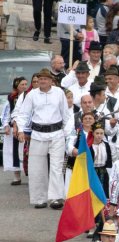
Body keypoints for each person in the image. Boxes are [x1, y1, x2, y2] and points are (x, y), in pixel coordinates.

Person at [14, 68, 70, 209]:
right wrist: (21, 130)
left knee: (56, 167)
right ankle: (40, 198)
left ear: (51, 80)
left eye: (45, 78)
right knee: (37, 167)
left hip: (56, 133)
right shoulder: (32, 94)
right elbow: (24, 114)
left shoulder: (59, 93)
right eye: (40, 79)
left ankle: (56, 198)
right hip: (38, 134)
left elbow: (66, 114)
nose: (42, 81)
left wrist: (66, 133)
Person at [2, 77, 27, 185]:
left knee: (26, 152)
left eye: (26, 84)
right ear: (17, 86)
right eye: (22, 84)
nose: (25, 86)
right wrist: (6, 125)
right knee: (14, 152)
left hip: (26, 128)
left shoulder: (30, 96)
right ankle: (17, 176)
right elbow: (6, 112)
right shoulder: (11, 98)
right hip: (14, 129)